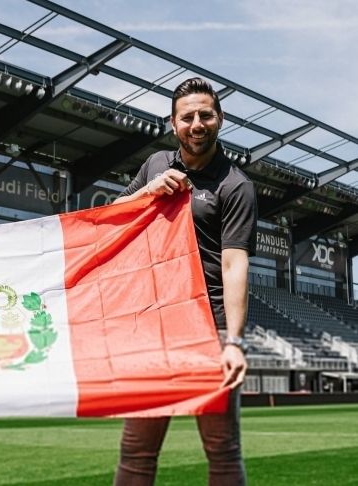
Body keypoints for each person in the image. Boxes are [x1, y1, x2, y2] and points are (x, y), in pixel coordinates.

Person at [112, 77, 257, 485]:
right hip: (154, 326)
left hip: (207, 329)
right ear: (173, 123)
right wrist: (149, 191)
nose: (197, 124)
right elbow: (113, 214)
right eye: (187, 117)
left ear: (220, 119)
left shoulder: (236, 185)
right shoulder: (156, 165)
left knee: (222, 453)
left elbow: (234, 265)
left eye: (205, 115)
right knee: (136, 453)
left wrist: (234, 341)